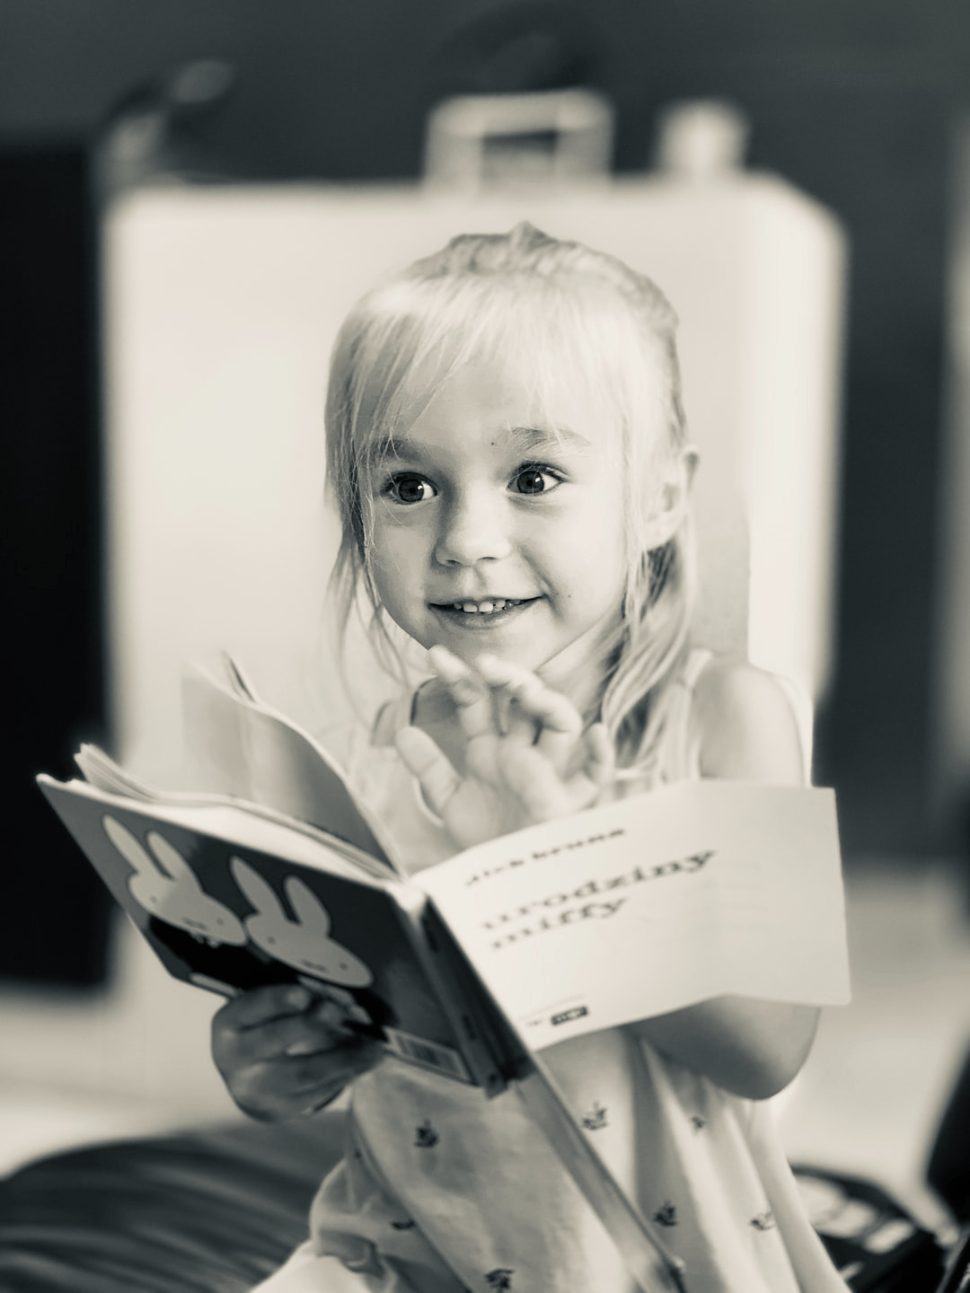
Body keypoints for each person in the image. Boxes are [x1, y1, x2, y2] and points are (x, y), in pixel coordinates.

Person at [211, 223, 848, 1291]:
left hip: (655, 1267)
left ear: (658, 498)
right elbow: (354, 1038)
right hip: (395, 1256)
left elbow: (772, 1047)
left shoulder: (728, 717)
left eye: (534, 475)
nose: (465, 537)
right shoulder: (380, 757)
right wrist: (268, 1065)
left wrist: (577, 861)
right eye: (409, 486)